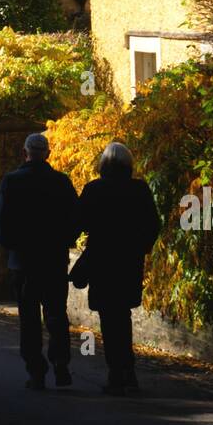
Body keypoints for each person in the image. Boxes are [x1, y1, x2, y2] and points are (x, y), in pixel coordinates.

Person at [0, 132, 81, 390]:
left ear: (25, 153)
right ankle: (61, 364)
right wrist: (64, 240)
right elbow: (76, 218)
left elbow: (1, 219)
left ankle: (36, 371)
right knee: (56, 315)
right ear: (48, 154)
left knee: (29, 319)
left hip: (23, 262)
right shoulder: (61, 183)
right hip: (53, 260)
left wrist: (12, 246)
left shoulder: (11, 182)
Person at [78, 141, 159, 396]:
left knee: (108, 318)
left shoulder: (94, 189)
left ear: (104, 163)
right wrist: (141, 247)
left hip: (102, 261)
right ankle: (128, 372)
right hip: (128, 262)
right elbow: (152, 224)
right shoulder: (139, 189)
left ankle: (116, 372)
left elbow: (79, 221)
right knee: (123, 315)